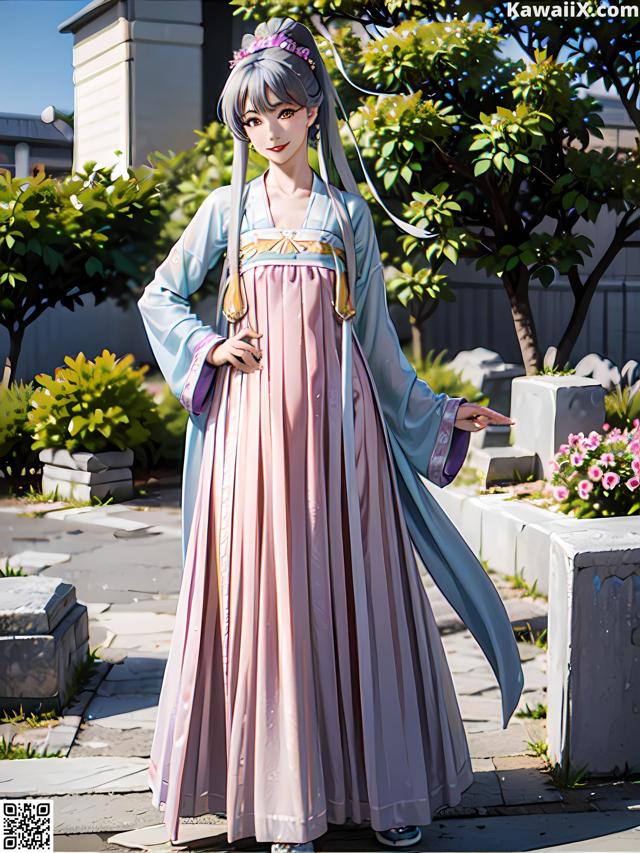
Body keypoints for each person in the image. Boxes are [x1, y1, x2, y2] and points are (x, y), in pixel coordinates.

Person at [137, 16, 524, 853]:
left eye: (281, 112)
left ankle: (378, 792)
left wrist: (440, 409)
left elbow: (376, 341)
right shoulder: (225, 209)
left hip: (341, 441)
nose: (267, 131)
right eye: (251, 119)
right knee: (268, 606)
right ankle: (280, 807)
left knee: (352, 603)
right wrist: (211, 344)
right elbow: (159, 297)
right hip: (251, 443)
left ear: (311, 111)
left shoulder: (348, 215)